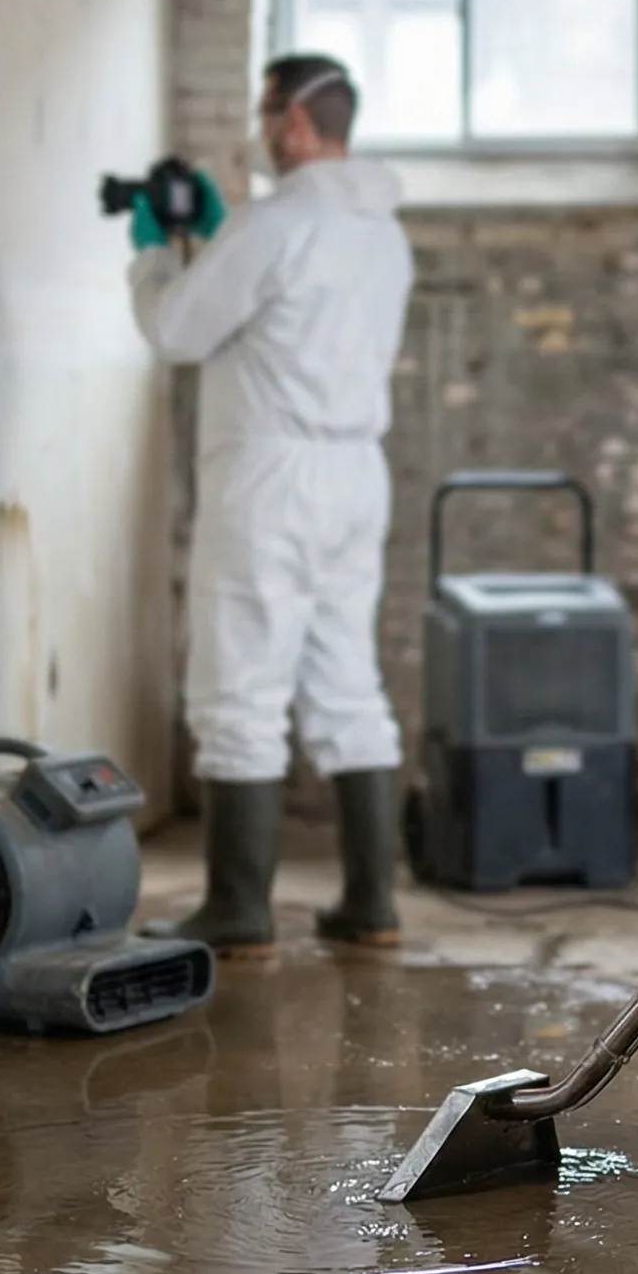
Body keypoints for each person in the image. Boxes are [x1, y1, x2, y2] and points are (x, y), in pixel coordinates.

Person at [126, 54, 414, 955]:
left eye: (264, 114)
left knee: (240, 685)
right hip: (355, 474)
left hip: (271, 479)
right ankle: (372, 903)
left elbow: (177, 329)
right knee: (348, 683)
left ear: (294, 120)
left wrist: (152, 254)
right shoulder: (384, 232)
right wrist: (220, 243)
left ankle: (237, 909)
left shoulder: (276, 222)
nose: (259, 133)